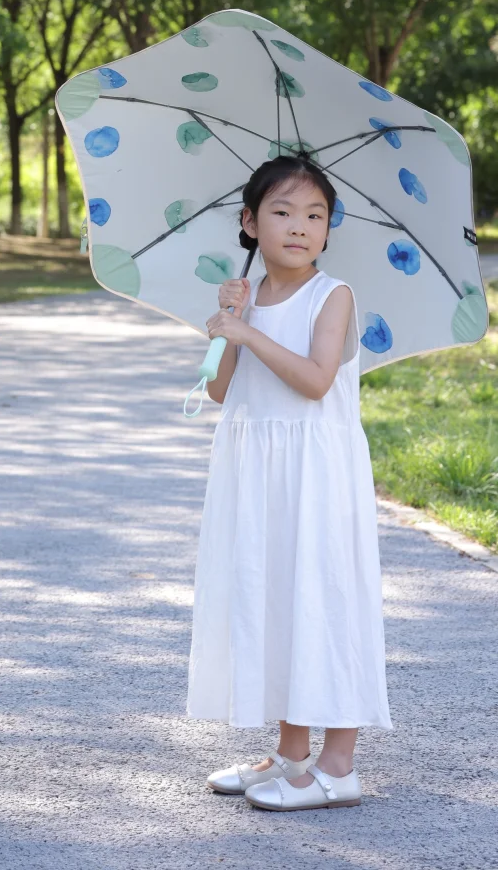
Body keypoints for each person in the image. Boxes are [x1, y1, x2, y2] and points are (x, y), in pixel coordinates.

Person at [188, 154, 390, 811]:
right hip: (263, 473)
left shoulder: (333, 295)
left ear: (329, 231)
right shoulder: (248, 296)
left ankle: (339, 765)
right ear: (249, 223)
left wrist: (250, 331)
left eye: (315, 215)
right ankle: (290, 751)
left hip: (318, 472)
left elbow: (315, 380)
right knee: (279, 599)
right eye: (281, 212)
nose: (299, 226)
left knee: (325, 597)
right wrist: (228, 327)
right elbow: (219, 390)